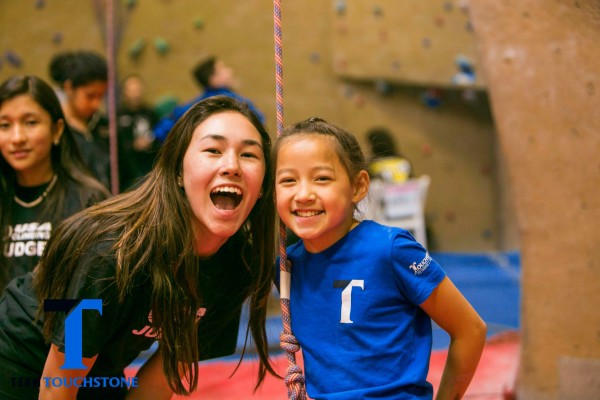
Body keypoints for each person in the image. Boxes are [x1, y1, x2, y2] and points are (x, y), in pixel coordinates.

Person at [0, 95, 277, 400]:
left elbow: (162, 379)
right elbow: (59, 382)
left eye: (249, 155)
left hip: (100, 368)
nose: (231, 165)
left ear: (263, 185)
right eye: (213, 150)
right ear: (178, 172)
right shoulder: (111, 252)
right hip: (23, 360)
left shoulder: (237, 268)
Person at [273, 117, 487, 399]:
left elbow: (470, 329)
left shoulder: (390, 249)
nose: (303, 194)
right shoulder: (288, 267)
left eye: (322, 178)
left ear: (359, 186)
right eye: (288, 180)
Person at [0, 75, 110, 292]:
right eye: (5, 125)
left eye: (30, 122)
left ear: (57, 130)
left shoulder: (87, 200)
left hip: (61, 323)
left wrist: (29, 321)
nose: (17, 137)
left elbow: (90, 298)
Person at [153, 56, 265, 142]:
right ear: (213, 80)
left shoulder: (194, 104)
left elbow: (164, 128)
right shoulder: (234, 102)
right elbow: (259, 119)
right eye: (223, 69)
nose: (229, 71)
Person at [49, 50, 111, 188]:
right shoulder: (57, 130)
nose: (97, 104)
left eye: (101, 96)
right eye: (90, 96)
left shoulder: (103, 124)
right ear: (69, 88)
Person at [116, 74, 160, 191]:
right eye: (132, 90)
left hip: (150, 169)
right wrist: (132, 145)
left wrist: (151, 142)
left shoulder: (151, 113)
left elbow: (160, 137)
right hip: (127, 174)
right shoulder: (117, 115)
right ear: (125, 92)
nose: (136, 94)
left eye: (138, 89)